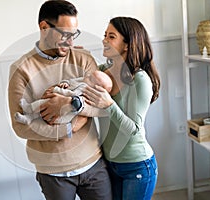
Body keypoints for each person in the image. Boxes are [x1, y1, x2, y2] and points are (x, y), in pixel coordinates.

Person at [8, 1, 112, 200]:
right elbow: (20, 126)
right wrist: (68, 129)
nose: (71, 42)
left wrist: (69, 104)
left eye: (74, 34)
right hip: (52, 173)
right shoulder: (21, 69)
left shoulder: (83, 58)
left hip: (93, 163)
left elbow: (104, 105)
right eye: (65, 35)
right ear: (44, 28)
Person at [83, 16, 161, 200]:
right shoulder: (103, 72)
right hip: (110, 164)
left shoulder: (140, 79)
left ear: (126, 45)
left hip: (137, 166)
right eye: (105, 35)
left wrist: (109, 105)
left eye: (111, 36)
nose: (104, 40)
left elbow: (134, 129)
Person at [14, 70, 113, 125]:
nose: (87, 76)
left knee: (44, 104)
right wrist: (64, 83)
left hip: (64, 116)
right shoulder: (83, 81)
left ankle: (29, 109)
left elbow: (72, 97)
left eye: (90, 78)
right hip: (57, 103)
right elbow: (70, 81)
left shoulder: (87, 95)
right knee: (45, 103)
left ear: (96, 89)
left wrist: (57, 90)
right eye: (90, 75)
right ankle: (29, 118)